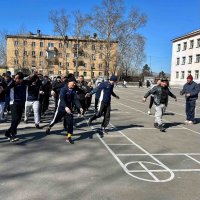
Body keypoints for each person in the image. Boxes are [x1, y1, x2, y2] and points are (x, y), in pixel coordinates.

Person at [45, 77, 83, 144]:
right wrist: (65, 107)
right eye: (73, 83)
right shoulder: (63, 89)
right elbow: (62, 98)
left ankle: (69, 137)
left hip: (69, 109)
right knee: (55, 120)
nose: (74, 85)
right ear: (69, 82)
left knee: (70, 122)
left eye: (75, 83)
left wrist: (80, 107)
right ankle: (49, 126)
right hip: (61, 108)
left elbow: (75, 99)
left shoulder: (73, 90)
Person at [5, 72, 37, 142]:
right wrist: (14, 80)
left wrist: (34, 74)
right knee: (15, 119)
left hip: (21, 103)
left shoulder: (24, 82)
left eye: (18, 78)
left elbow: (32, 80)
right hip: (13, 102)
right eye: (16, 78)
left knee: (18, 120)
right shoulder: (12, 83)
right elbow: (7, 88)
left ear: (21, 79)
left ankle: (8, 132)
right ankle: (13, 135)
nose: (17, 80)